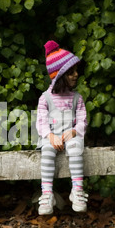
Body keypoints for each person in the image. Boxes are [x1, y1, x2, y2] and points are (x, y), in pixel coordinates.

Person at [36, 40, 88, 215]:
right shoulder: (45, 98)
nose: (75, 75)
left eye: (76, 71)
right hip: (51, 138)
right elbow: (41, 122)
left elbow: (82, 120)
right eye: (71, 72)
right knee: (47, 152)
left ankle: (77, 191)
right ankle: (47, 194)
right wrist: (50, 136)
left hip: (70, 137)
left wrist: (74, 131)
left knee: (75, 147)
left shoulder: (77, 98)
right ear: (59, 75)